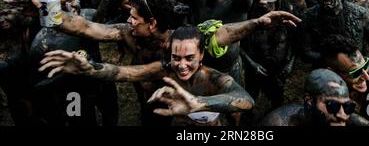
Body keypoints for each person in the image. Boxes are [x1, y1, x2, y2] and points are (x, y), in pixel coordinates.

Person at [39, 26, 255, 126]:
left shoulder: (213, 78)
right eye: (175, 57)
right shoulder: (164, 69)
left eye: (189, 58)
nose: (181, 65)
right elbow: (123, 73)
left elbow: (246, 100)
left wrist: (200, 103)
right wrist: (89, 68)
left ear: (201, 55)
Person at [259, 69, 369, 126]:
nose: (343, 115)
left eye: (348, 106)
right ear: (309, 101)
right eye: (332, 105)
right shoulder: (278, 123)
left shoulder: (342, 115)